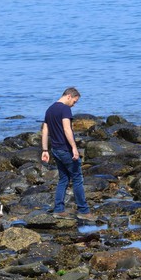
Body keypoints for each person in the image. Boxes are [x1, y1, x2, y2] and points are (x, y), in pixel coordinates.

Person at [41, 87, 96, 221]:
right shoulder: (65, 109)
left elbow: (45, 130)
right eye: (75, 101)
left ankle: (59, 210)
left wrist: (45, 150)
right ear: (69, 96)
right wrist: (74, 148)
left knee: (63, 179)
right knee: (77, 179)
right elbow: (67, 129)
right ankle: (83, 210)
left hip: (55, 149)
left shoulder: (50, 109)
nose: (74, 104)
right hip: (65, 150)